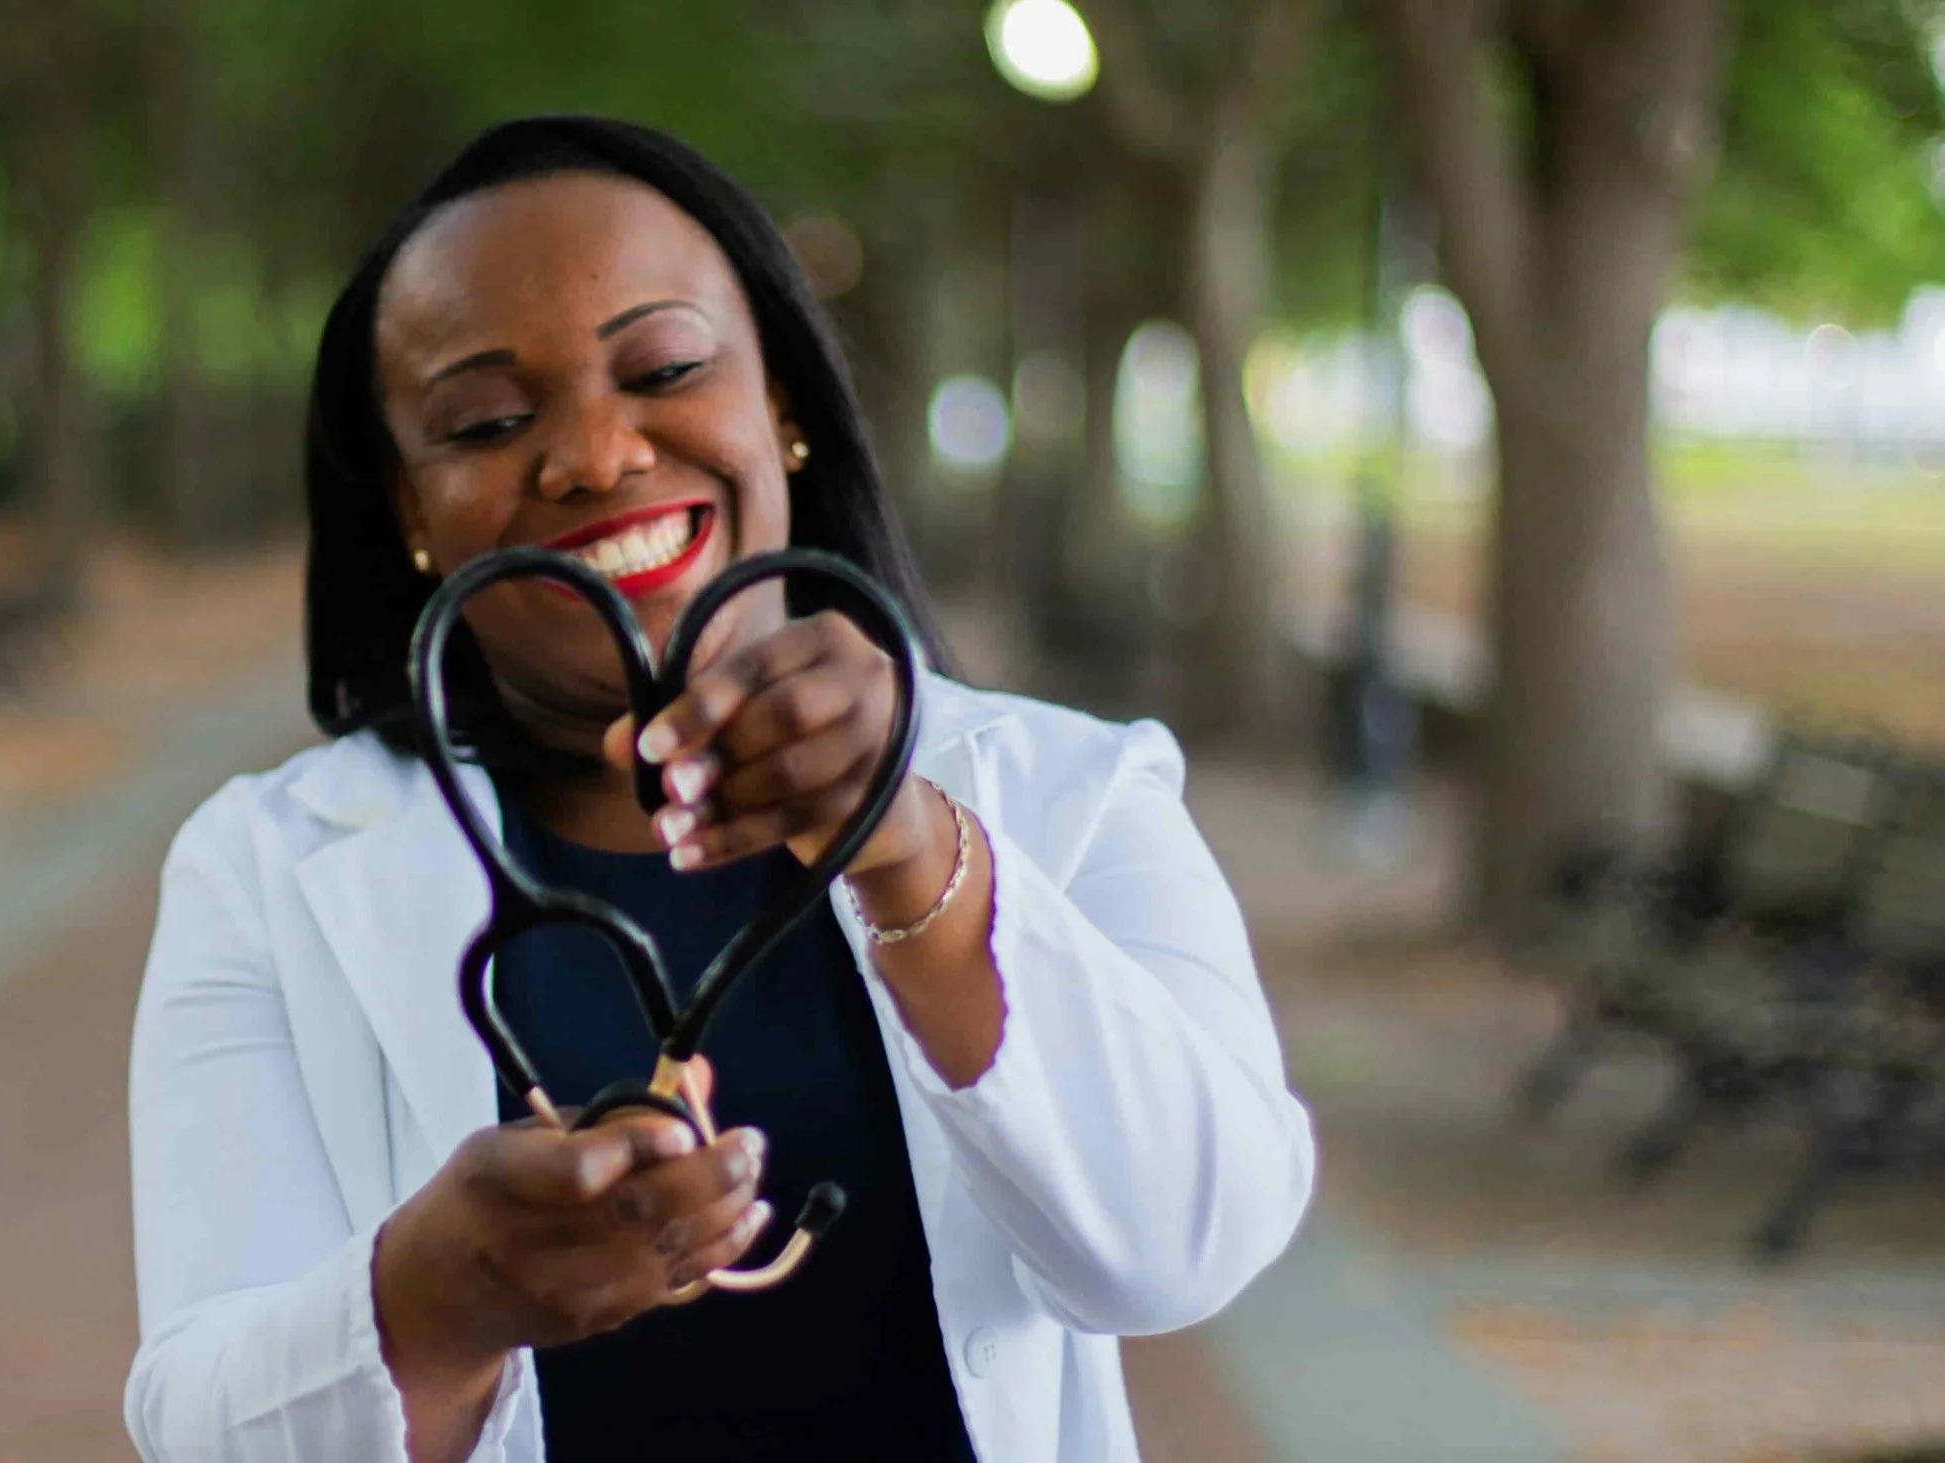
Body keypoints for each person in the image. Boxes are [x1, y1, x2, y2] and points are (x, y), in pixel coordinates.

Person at [122, 115, 1315, 1463]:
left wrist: (913, 850)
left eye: (666, 366)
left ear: (785, 406)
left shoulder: (1073, 789)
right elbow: (203, 1427)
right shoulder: (264, 872)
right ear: (409, 507)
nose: (595, 454)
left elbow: (1187, 1245)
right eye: (489, 420)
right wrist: (435, 1298)